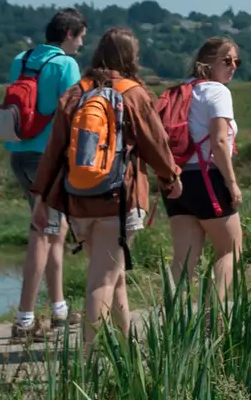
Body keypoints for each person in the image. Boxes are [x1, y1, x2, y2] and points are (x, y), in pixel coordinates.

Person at [31, 27, 182, 347]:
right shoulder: (133, 93)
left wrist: (42, 198)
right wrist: (171, 177)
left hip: (80, 199)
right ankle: (88, 363)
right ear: (132, 57)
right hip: (120, 199)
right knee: (101, 281)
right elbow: (156, 143)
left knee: (115, 279)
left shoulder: (76, 92)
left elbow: (54, 150)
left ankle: (128, 354)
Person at [5, 8, 86, 340]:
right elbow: (74, 113)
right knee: (42, 232)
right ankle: (24, 319)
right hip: (48, 159)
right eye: (80, 37)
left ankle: (59, 309)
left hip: (19, 154)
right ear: (68, 34)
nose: (81, 44)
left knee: (56, 229)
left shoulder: (20, 60)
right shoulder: (65, 65)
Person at [166, 37, 246, 299]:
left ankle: (173, 326)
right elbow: (220, 141)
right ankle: (214, 316)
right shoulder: (217, 91)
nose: (233, 66)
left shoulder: (181, 90)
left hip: (177, 180)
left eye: (237, 61)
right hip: (208, 179)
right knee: (230, 249)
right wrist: (232, 183)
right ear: (208, 62)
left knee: (183, 260)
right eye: (227, 60)